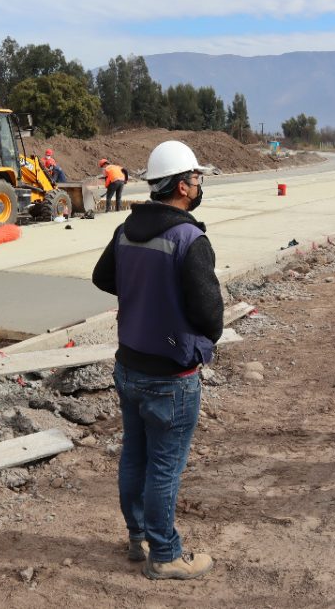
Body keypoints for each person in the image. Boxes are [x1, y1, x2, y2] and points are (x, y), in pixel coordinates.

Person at [91, 140, 221, 580]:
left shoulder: (127, 229)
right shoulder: (190, 237)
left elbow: (102, 276)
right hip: (171, 376)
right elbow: (210, 316)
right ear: (183, 187)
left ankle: (137, 537)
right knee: (164, 466)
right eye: (197, 179)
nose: (199, 185)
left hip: (129, 366)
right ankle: (164, 554)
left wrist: (142, 294)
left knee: (135, 455)